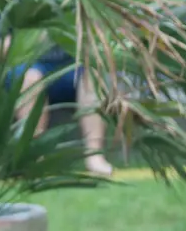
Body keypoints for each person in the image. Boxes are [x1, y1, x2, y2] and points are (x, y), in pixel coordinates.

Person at [11, 47, 113, 178]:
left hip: (72, 68)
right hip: (29, 66)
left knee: (92, 75)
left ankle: (94, 154)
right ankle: (34, 157)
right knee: (30, 78)